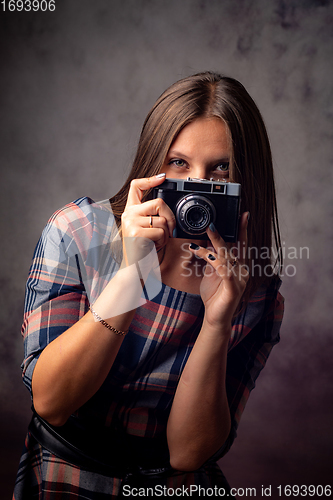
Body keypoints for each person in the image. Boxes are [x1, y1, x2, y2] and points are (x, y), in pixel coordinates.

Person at [13, 72, 284, 499]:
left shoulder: (253, 291)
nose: (197, 186)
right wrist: (130, 278)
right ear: (152, 161)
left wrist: (217, 321)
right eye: (179, 164)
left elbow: (188, 453)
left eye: (221, 168)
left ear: (248, 176)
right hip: (64, 483)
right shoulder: (78, 234)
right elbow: (52, 402)